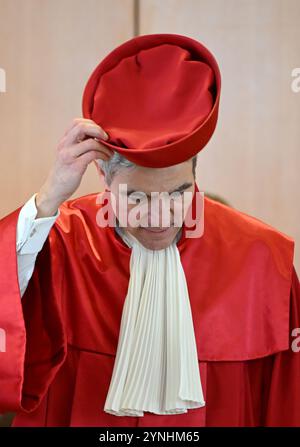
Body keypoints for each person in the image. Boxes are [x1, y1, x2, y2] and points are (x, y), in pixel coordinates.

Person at [0, 33, 299, 427]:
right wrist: (47, 199)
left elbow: (285, 401)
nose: (160, 217)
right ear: (103, 178)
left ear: (196, 174)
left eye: (178, 193)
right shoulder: (63, 240)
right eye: (137, 197)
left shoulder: (261, 256)